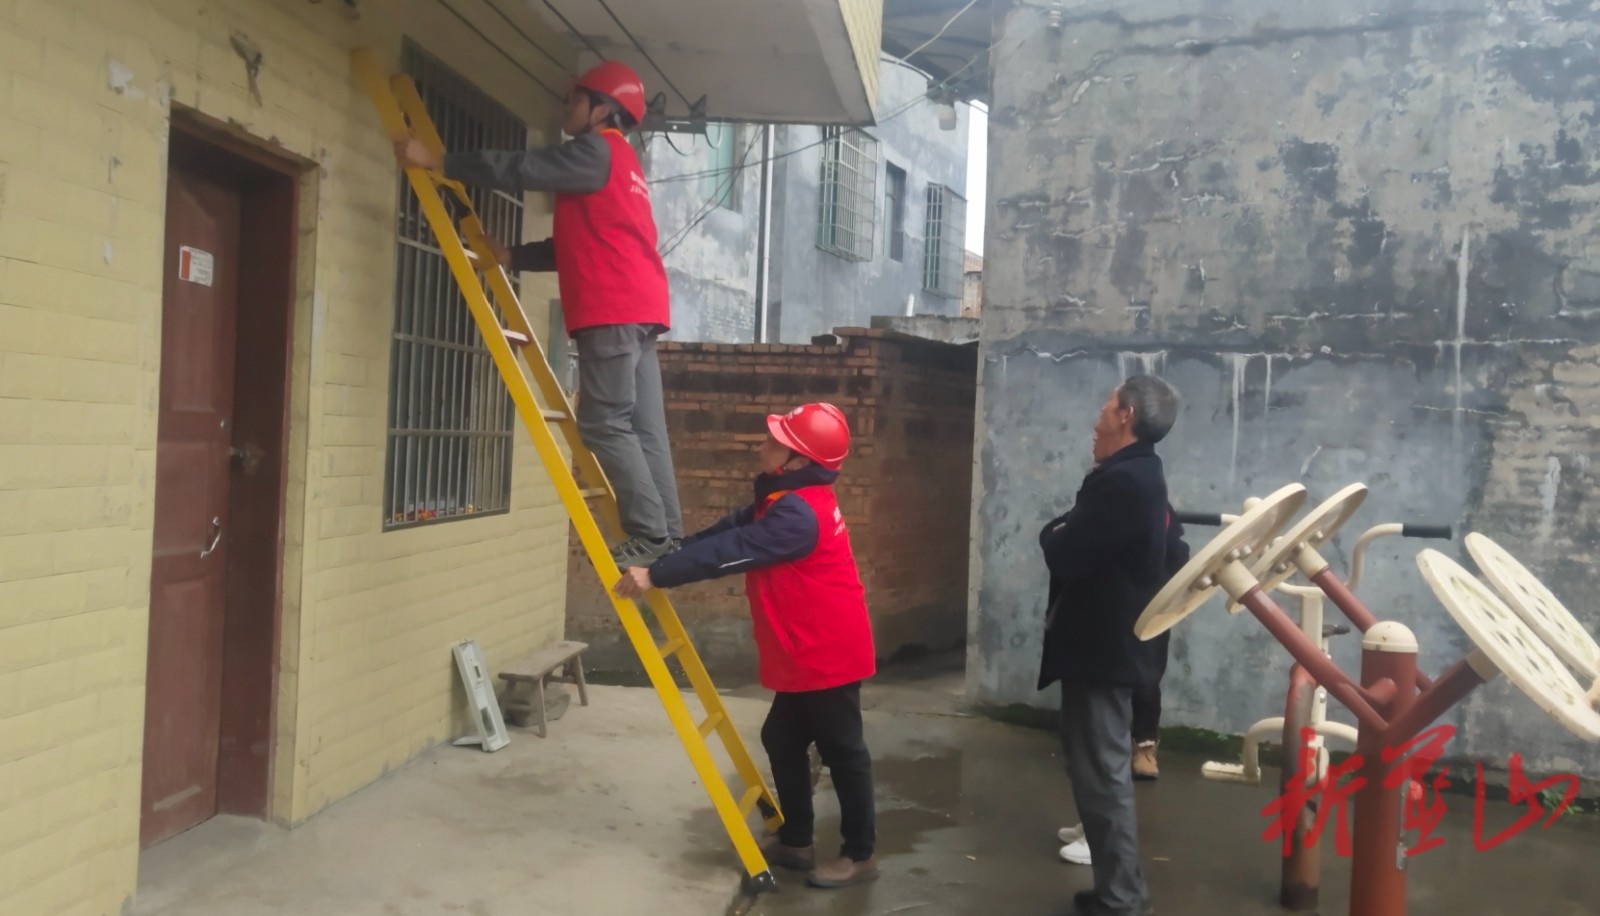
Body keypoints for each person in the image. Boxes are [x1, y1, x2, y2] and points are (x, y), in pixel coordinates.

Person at [394, 61, 683, 567]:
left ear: (602, 110)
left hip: (611, 306)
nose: (567, 108)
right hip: (640, 308)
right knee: (644, 428)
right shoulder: (624, 165)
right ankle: (670, 535)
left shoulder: (594, 151)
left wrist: (439, 159)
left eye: (576, 100)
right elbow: (581, 241)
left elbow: (521, 168)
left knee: (604, 423)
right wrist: (513, 256)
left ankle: (651, 534)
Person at [613, 402, 880, 889]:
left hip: (827, 652)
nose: (763, 446)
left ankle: (860, 856)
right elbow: (732, 529)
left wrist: (657, 574)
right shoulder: (786, 497)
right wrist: (677, 550)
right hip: (805, 647)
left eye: (776, 441)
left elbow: (731, 552)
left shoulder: (797, 515)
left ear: (800, 460)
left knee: (843, 750)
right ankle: (796, 842)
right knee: (781, 737)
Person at [1038, 375, 1180, 916]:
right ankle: (1117, 891)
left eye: (1105, 408)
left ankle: (1120, 899)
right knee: (1097, 768)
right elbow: (1172, 548)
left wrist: (1054, 532)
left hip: (1102, 650)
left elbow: (1064, 551)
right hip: (1112, 646)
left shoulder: (1123, 482)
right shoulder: (1143, 473)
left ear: (1126, 416)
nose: (1096, 421)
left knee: (1102, 774)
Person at [1057, 507, 1189, 866]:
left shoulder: (1135, 499)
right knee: (1089, 743)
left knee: (1104, 744)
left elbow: (1072, 551)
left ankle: (1101, 840)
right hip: (1115, 631)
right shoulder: (1132, 499)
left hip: (1125, 634)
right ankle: (1093, 825)